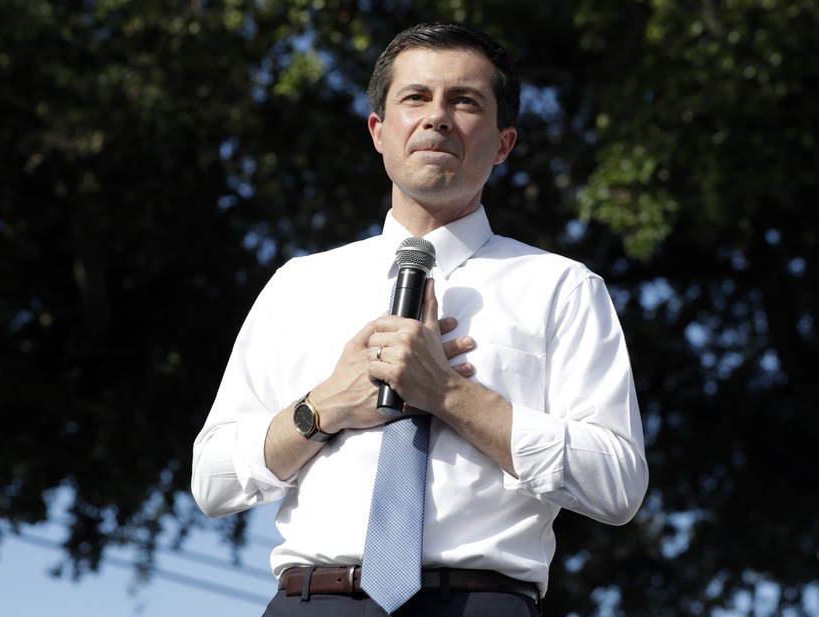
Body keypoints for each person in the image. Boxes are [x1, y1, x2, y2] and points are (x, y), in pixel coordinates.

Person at [192, 21, 648, 617]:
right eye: (415, 98)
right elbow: (213, 480)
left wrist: (449, 394)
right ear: (379, 133)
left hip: (483, 604)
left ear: (504, 143)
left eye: (464, 102)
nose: (436, 117)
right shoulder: (298, 285)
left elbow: (617, 483)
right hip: (314, 602)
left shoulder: (562, 288)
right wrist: (323, 407)